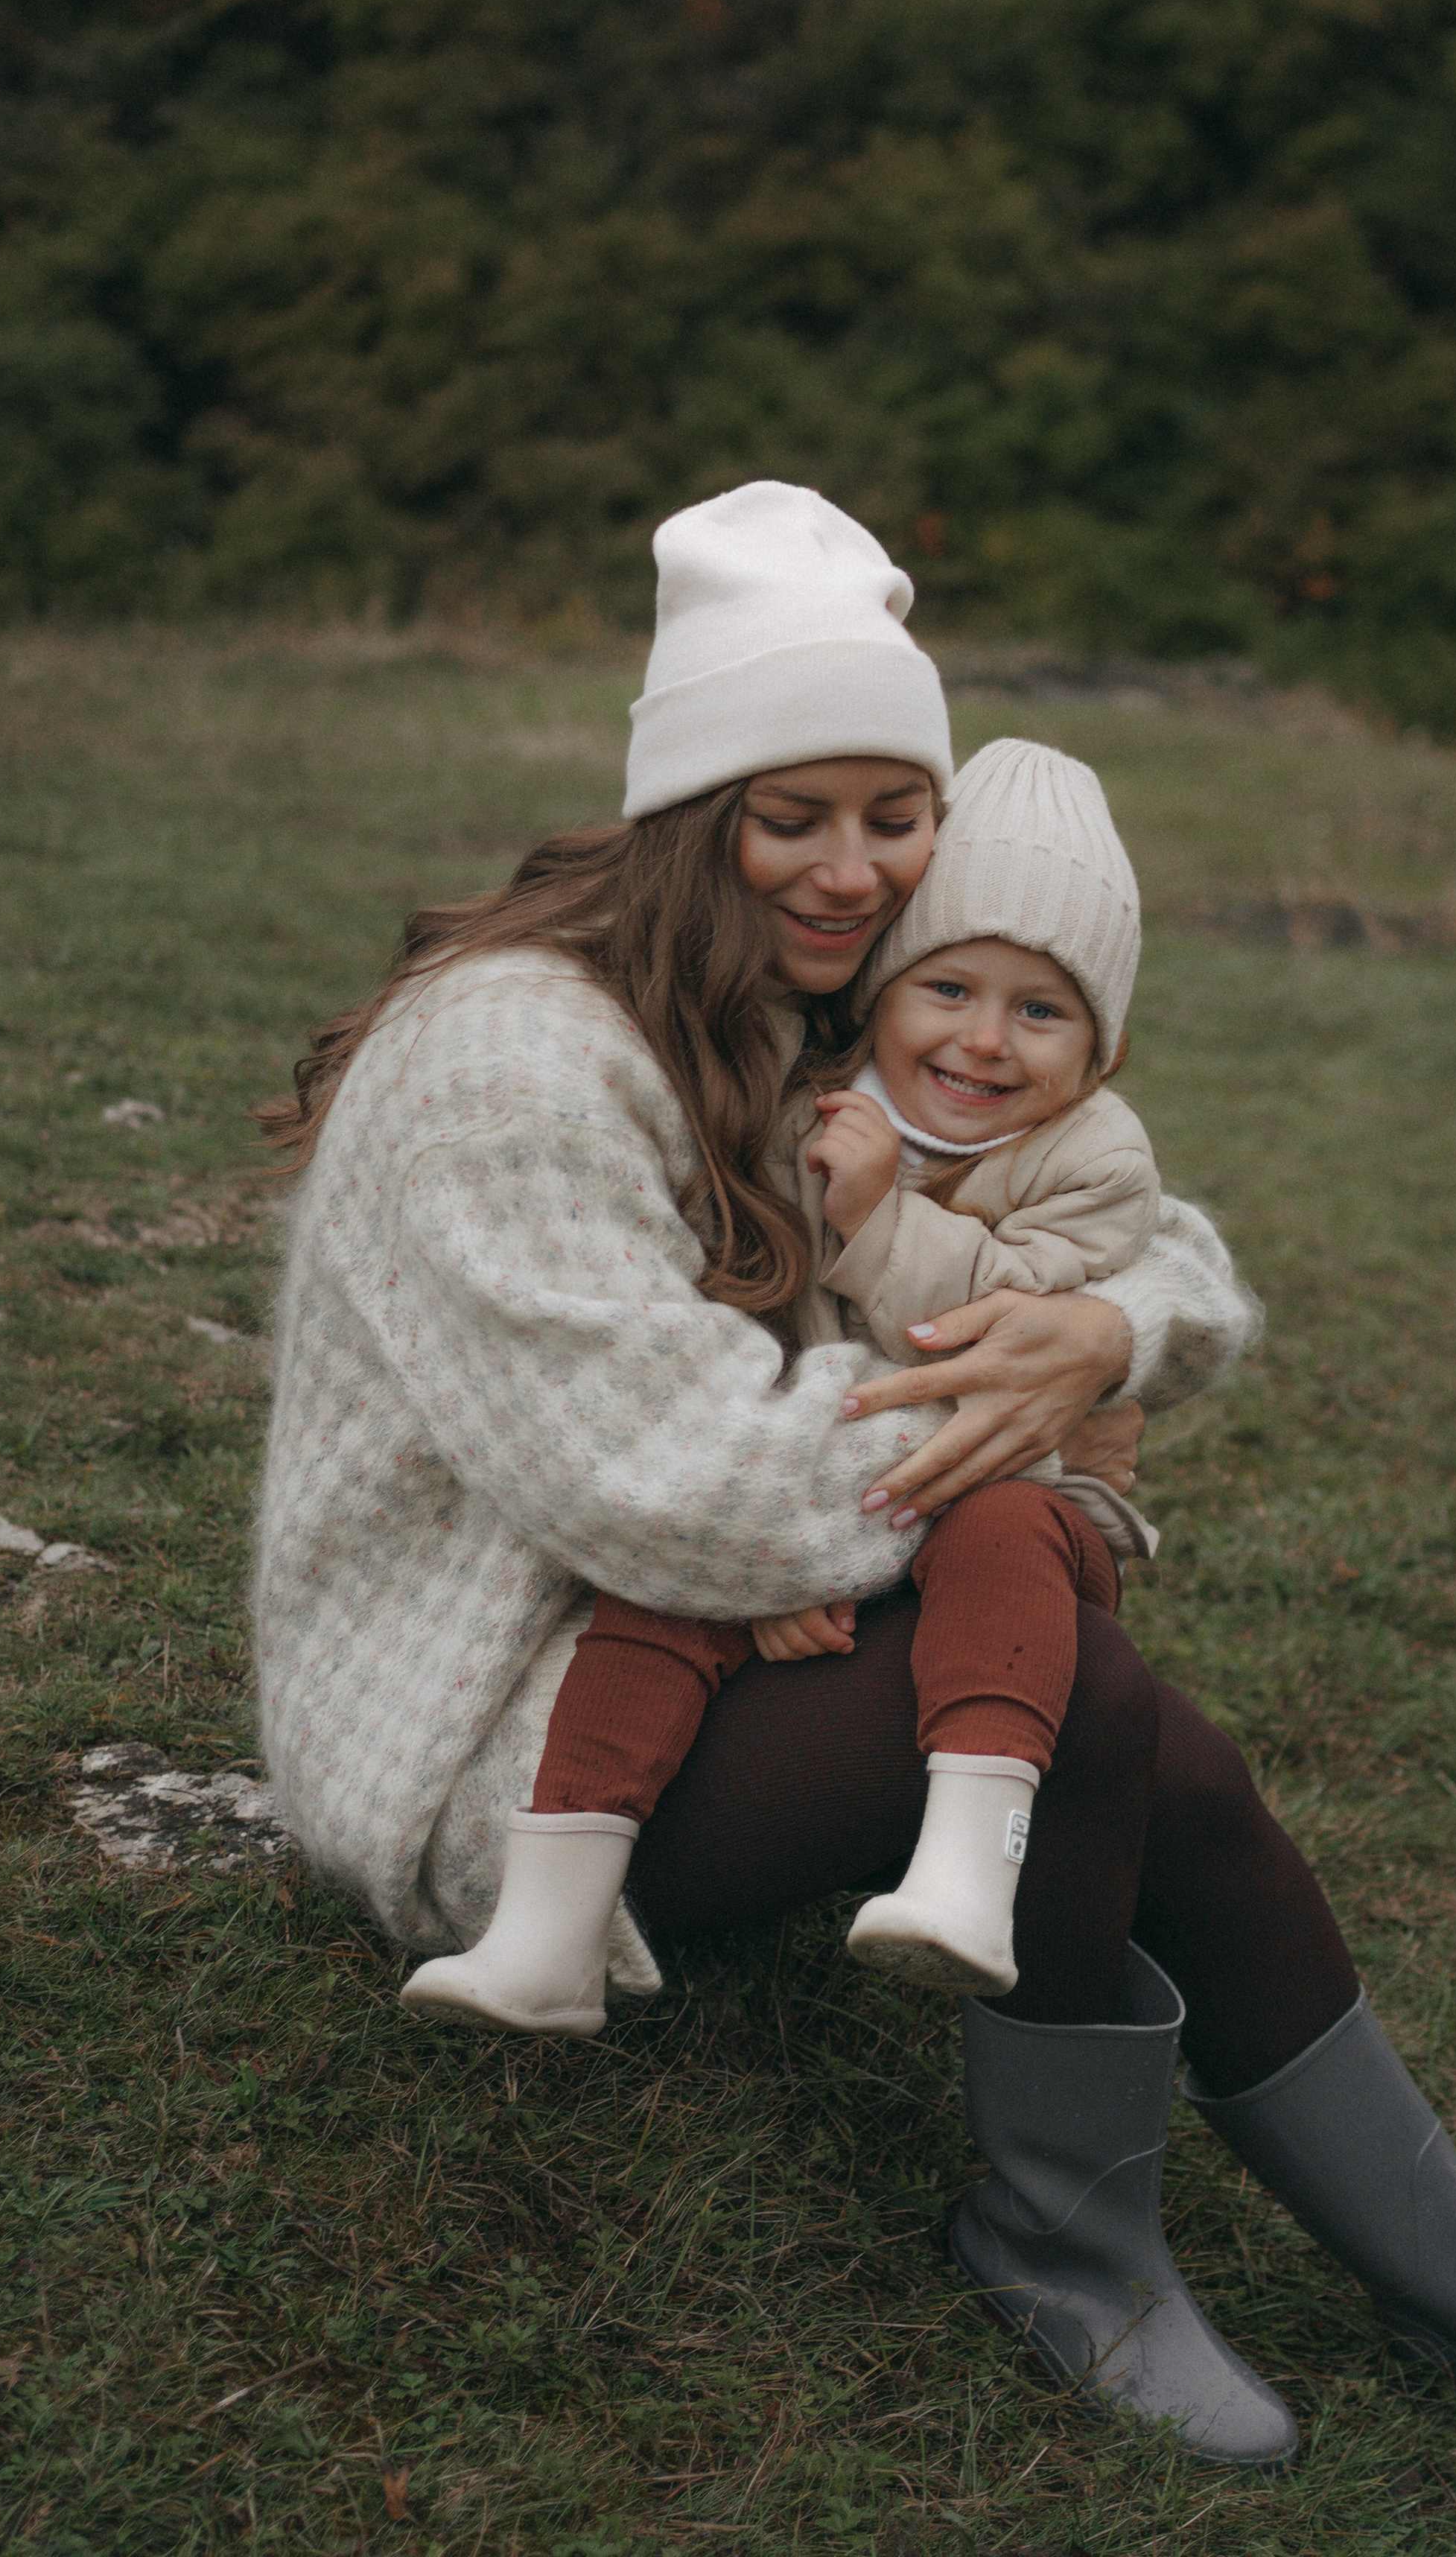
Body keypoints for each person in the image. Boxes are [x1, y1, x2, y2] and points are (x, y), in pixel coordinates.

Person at [252, 479, 1456, 2471]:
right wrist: (1020, 1434)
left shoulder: (795, 999)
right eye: (800, 813)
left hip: (700, 1628)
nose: (862, 870)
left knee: (1105, 1711)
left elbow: (1152, 1237)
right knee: (1089, 1697)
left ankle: (1448, 2252)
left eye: (899, 812)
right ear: (694, 806)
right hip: (498, 1748)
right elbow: (681, 1486)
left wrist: (1108, 1334)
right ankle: (1072, 2250)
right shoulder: (518, 1065)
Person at [403, 734, 1163, 2024]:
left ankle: (968, 1872)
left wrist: (879, 1220)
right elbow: (724, 1318)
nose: (984, 1043)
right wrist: (768, 1560)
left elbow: (1008, 1334)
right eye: (949, 990)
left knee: (1005, 1537)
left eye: (1041, 1014)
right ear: (882, 992)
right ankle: (547, 1932)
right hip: (807, 1488)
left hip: (991, 1490)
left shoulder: (1095, 1159)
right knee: (653, 1605)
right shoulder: (803, 1102)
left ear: (1098, 1055)